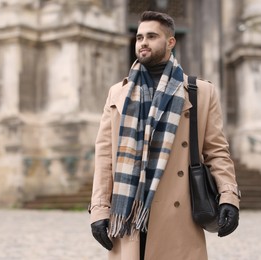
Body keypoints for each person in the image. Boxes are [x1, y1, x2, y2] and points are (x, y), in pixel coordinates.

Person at [88, 10, 241, 260]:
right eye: (139, 37)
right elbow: (105, 157)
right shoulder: (118, 93)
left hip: (177, 216)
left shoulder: (199, 91)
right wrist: (99, 210)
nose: (143, 42)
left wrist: (228, 196)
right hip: (128, 213)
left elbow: (216, 151)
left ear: (171, 42)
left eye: (151, 36)